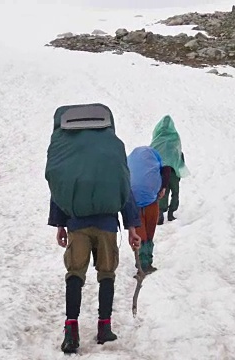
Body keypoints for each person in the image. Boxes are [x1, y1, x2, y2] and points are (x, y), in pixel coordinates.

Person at [45, 103, 142, 354]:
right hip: (107, 223)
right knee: (107, 274)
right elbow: (124, 186)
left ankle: (71, 330)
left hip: (77, 223)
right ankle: (104, 327)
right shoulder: (111, 148)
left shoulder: (67, 151)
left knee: (75, 274)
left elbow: (60, 186)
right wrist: (132, 226)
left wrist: (60, 223)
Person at [127, 146, 171, 274]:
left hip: (133, 202)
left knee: (140, 233)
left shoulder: (129, 161)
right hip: (151, 201)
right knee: (149, 233)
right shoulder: (156, 161)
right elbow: (167, 170)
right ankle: (147, 263)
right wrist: (162, 188)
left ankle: (141, 263)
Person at [150, 115, 189, 225]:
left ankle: (161, 213)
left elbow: (151, 153)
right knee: (175, 192)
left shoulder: (157, 139)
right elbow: (179, 153)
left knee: (163, 191)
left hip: (161, 171)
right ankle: (171, 213)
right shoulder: (175, 138)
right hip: (173, 171)